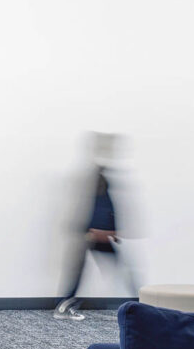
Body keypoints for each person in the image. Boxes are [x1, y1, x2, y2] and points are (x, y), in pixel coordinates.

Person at [54, 134, 138, 320]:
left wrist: (111, 230)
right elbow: (98, 205)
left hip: (92, 232)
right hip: (93, 232)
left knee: (83, 269)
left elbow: (104, 205)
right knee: (119, 268)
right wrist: (101, 229)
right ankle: (140, 306)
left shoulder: (99, 174)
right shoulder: (97, 175)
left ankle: (64, 304)